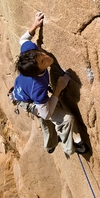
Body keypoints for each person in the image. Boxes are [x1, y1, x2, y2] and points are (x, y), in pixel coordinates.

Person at [12, 12, 88, 156]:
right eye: (42, 62)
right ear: (36, 72)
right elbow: (46, 114)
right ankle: (70, 148)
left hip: (22, 90)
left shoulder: (29, 53)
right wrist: (58, 89)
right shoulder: (38, 87)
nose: (46, 57)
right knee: (66, 119)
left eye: (40, 54)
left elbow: (23, 39)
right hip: (27, 100)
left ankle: (50, 144)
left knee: (47, 117)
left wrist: (34, 26)